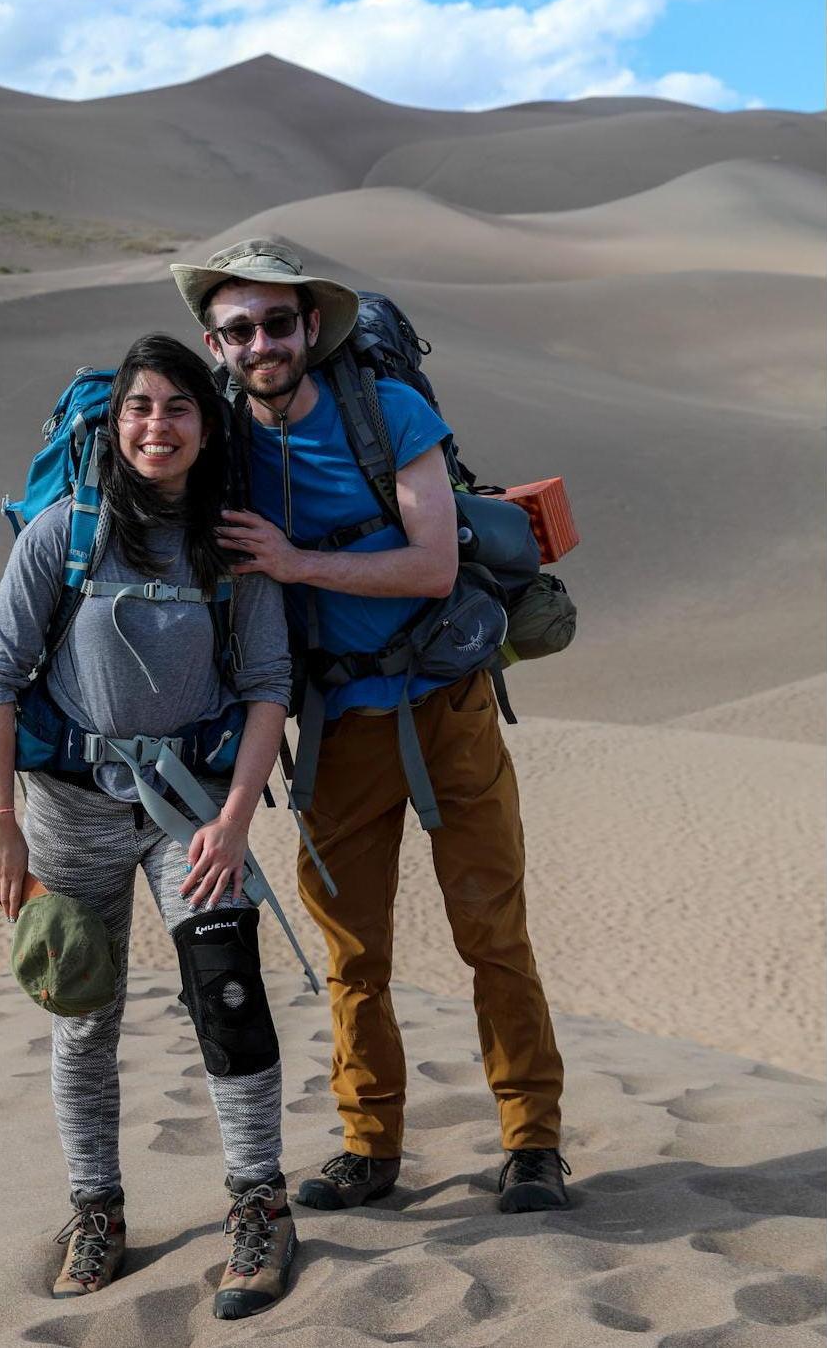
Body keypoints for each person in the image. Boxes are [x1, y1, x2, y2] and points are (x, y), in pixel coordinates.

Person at [168, 240, 570, 1215]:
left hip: (447, 705)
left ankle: (532, 1142)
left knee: (493, 934)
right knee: (354, 952)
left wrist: (297, 563)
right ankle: (369, 1143)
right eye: (239, 329)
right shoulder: (220, 448)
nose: (261, 343)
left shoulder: (388, 413)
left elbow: (433, 565)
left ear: (312, 326)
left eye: (277, 322)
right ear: (216, 346)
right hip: (336, 726)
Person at [0, 333, 299, 1317]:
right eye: (139, 408)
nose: (157, 426)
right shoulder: (62, 535)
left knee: (229, 998)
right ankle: (97, 1211)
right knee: (84, 1019)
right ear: (113, 424)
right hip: (67, 814)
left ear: (207, 426)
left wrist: (236, 822)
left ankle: (260, 1205)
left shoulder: (235, 548)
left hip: (194, 815)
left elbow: (268, 689)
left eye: (178, 408)